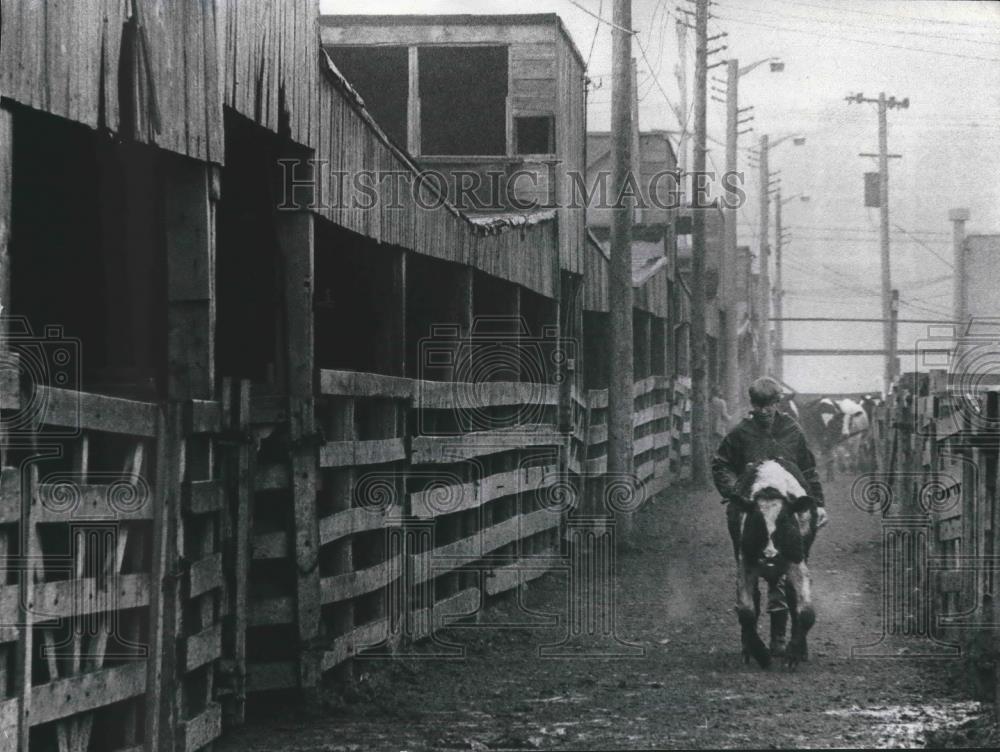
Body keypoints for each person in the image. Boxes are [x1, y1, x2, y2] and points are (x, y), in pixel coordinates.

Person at [711, 376, 829, 656]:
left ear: (778, 403)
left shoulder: (792, 430)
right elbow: (721, 464)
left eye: (770, 404)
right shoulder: (740, 433)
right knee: (749, 564)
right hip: (751, 511)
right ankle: (748, 634)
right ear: (752, 404)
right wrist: (735, 494)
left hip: (788, 512)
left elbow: (808, 470)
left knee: (790, 570)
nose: (764, 410)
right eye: (758, 404)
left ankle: (783, 636)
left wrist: (819, 504)